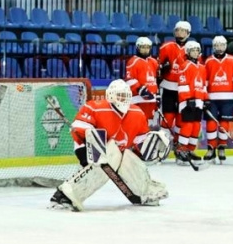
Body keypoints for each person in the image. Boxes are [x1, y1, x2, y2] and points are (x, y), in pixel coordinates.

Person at [49, 80, 169, 212]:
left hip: (119, 152)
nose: (124, 99)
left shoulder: (137, 113)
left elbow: (140, 143)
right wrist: (87, 149)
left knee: (129, 159)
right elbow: (80, 130)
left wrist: (153, 148)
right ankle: (64, 195)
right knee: (109, 156)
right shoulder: (94, 107)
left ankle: (142, 193)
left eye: (126, 96)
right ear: (111, 95)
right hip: (89, 148)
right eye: (120, 95)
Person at [203, 35, 233, 163]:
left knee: (224, 123)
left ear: (225, 46)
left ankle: (221, 146)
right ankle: (211, 148)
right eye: (217, 45)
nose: (219, 48)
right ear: (213, 47)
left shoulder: (232, 60)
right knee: (211, 122)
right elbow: (204, 81)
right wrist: (204, 96)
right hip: (212, 97)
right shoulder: (208, 61)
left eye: (221, 45)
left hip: (227, 97)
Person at [175, 41, 208, 164]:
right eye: (193, 50)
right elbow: (182, 83)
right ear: (188, 52)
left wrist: (206, 99)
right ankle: (181, 150)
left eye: (197, 50)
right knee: (188, 125)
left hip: (198, 101)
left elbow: (203, 85)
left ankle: (190, 150)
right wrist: (188, 98)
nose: (195, 52)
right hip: (187, 101)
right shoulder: (185, 65)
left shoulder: (202, 67)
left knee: (196, 126)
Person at [158, 21, 191, 141]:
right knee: (168, 116)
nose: (180, 32)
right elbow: (157, 68)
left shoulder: (192, 48)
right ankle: (162, 147)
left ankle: (179, 148)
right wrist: (162, 69)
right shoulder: (166, 47)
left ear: (188, 33)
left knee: (181, 117)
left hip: (185, 90)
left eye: (183, 30)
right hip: (168, 88)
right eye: (177, 30)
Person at [124, 36, 159, 124]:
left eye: (147, 47)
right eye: (143, 47)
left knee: (149, 123)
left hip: (151, 99)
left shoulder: (153, 62)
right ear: (138, 48)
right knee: (137, 122)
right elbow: (130, 79)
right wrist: (141, 90)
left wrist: (157, 95)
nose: (145, 50)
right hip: (138, 99)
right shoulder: (133, 61)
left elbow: (155, 79)